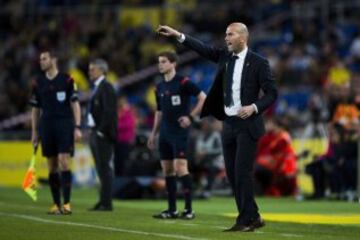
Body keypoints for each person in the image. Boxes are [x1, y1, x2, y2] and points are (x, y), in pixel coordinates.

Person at [157, 23, 278, 231]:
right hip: (228, 123)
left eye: (230, 34)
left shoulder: (259, 62)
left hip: (248, 124)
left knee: (242, 172)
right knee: (232, 174)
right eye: (225, 35)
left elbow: (272, 93)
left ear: (243, 37)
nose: (226, 38)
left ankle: (245, 219)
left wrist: (255, 107)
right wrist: (178, 35)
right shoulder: (225, 57)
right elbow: (203, 49)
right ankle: (253, 216)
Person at [147, 51, 206, 220]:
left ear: (173, 64)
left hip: (180, 132)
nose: (160, 65)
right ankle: (172, 209)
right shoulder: (158, 87)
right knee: (167, 170)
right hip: (165, 132)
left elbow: (203, 98)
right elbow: (159, 112)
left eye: (164, 61)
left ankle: (189, 210)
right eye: (159, 62)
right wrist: (153, 134)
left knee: (181, 168)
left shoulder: (183, 82)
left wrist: (191, 117)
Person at [30, 50, 82, 215]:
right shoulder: (38, 82)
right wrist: (34, 132)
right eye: (40, 59)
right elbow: (35, 109)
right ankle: (55, 204)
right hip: (46, 126)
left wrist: (78, 126)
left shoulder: (67, 79)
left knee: (64, 160)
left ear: (54, 59)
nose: (41, 61)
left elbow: (75, 104)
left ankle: (66, 203)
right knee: (52, 166)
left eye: (44, 58)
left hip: (64, 125)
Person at [87, 59, 117, 211]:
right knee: (100, 169)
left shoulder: (106, 87)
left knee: (104, 168)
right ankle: (103, 200)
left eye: (92, 69)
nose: (90, 72)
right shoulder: (98, 87)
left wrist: (101, 131)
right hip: (95, 132)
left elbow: (109, 111)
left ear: (101, 70)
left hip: (102, 134)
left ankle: (107, 203)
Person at [114, 95, 136, 177]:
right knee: (117, 161)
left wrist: (116, 125)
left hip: (125, 142)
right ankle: (117, 178)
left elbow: (129, 125)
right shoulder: (117, 112)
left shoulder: (128, 113)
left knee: (124, 161)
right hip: (116, 141)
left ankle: (123, 178)